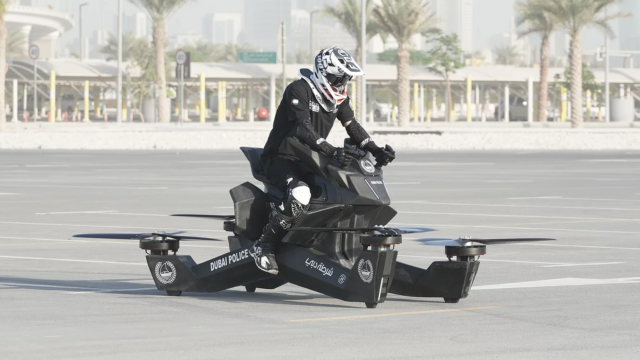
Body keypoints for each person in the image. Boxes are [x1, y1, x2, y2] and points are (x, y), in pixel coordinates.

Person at [249, 47, 396, 275]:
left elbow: (352, 126)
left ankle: (333, 246)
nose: (341, 83)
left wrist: (376, 150)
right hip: (281, 157)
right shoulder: (299, 89)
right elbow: (302, 128)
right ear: (323, 73)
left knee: (339, 191)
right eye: (337, 78)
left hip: (310, 159)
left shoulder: (339, 97)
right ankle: (264, 244)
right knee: (301, 195)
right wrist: (330, 149)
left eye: (344, 78)